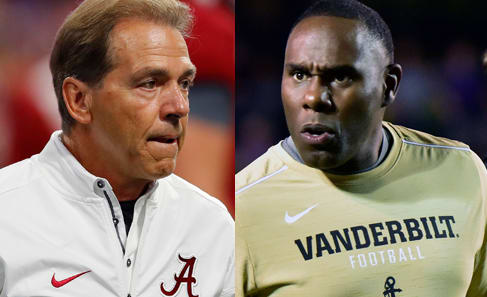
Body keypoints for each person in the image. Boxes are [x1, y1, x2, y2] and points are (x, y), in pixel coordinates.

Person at [235, 0, 487, 296]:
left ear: (388, 85)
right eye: (300, 75)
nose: (314, 97)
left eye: (341, 76)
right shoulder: (241, 209)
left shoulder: (462, 171)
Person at [0, 0, 234, 296]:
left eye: (186, 84)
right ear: (79, 100)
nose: (180, 106)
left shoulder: (212, 225)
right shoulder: (8, 213)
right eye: (149, 83)